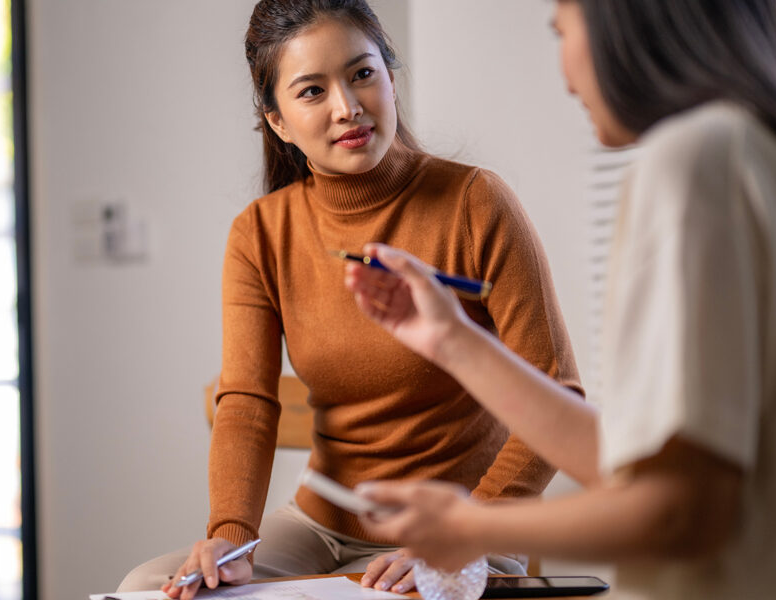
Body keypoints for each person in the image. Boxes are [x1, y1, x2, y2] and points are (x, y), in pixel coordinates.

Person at [344, 1, 776, 598]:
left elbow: (683, 514)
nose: (565, 71)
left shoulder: (695, 161)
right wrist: (452, 340)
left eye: (562, 31)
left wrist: (468, 526)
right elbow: (643, 469)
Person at [116, 1, 582, 597]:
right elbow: (247, 404)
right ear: (277, 121)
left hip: (466, 524)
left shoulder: (476, 202)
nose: (347, 107)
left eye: (362, 73)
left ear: (391, 74)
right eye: (311, 91)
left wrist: (470, 529)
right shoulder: (260, 233)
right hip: (322, 525)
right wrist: (230, 535)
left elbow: (557, 391)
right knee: (147, 588)